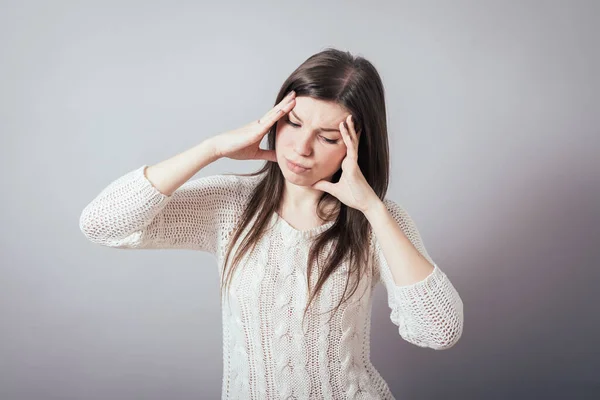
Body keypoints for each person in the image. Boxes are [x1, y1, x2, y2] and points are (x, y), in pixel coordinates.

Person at [79, 47, 464, 399]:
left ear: (357, 145)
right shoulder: (231, 206)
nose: (301, 148)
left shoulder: (375, 223)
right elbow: (102, 224)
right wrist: (211, 149)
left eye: (328, 137)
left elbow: (439, 330)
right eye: (293, 123)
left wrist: (374, 210)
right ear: (275, 118)